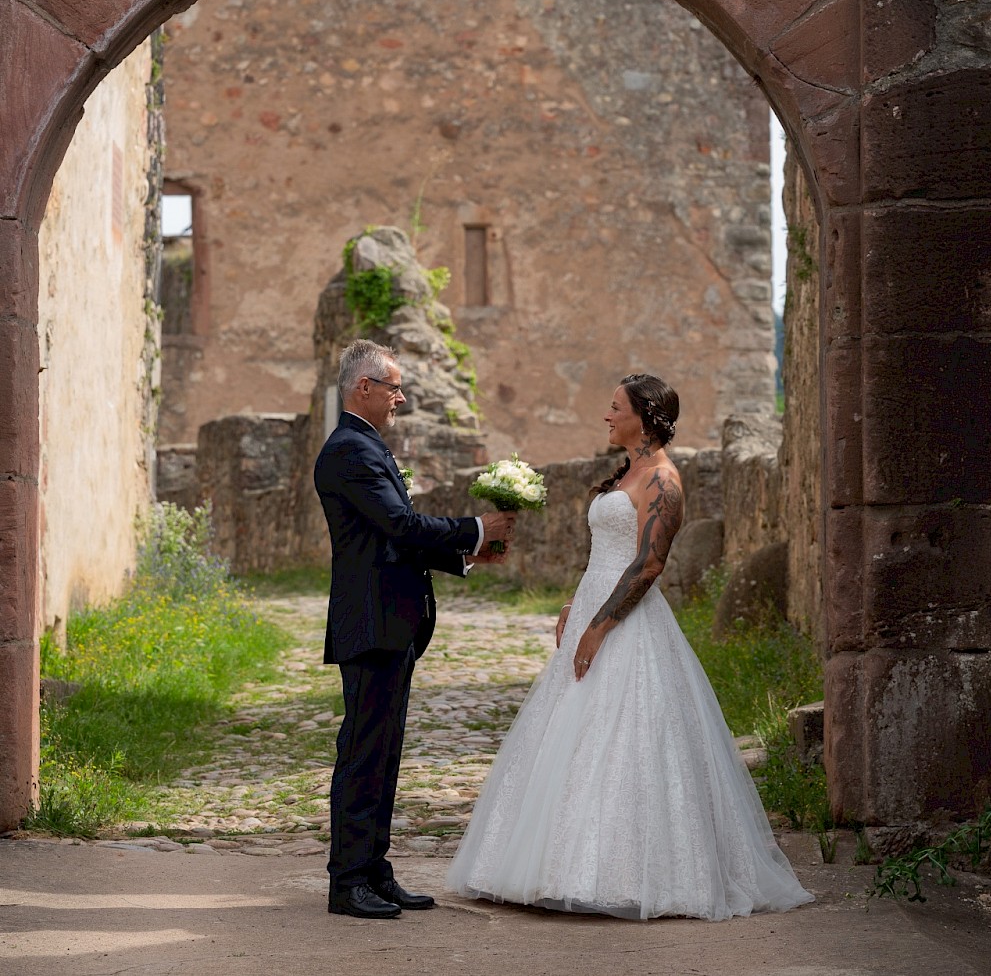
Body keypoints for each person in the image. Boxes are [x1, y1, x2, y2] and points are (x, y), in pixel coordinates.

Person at [446, 373, 814, 921]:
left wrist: (600, 627)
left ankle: (623, 870)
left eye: (614, 407)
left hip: (628, 624)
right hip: (591, 608)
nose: (606, 415)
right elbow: (604, 554)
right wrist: (576, 606)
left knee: (628, 737)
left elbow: (648, 564)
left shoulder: (664, 480)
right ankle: (548, 864)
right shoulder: (627, 474)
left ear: (643, 415)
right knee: (567, 736)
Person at [315, 337, 515, 921]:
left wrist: (466, 556)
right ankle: (347, 881)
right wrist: (474, 528)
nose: (400, 397)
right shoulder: (350, 449)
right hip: (372, 622)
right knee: (362, 754)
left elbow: (389, 538)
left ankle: (374, 871)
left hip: (391, 623)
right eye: (394, 387)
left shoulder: (365, 444)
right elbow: (399, 524)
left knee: (384, 753)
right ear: (364, 388)